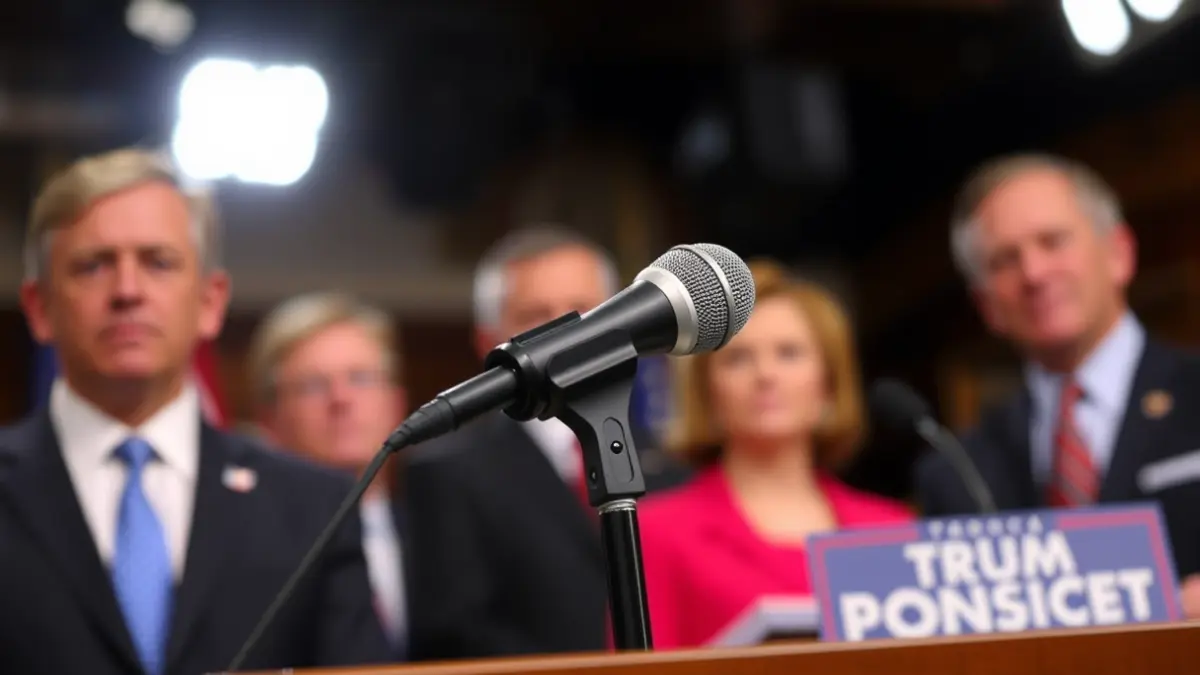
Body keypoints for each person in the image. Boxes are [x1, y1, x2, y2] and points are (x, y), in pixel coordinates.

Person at [0, 148, 392, 675]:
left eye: (158, 262)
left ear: (210, 301)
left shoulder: (315, 509)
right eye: (93, 265)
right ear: (39, 308)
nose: (128, 291)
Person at [914, 152, 1200, 617]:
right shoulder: (956, 472)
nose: (1034, 273)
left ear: (1118, 253)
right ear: (985, 303)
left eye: (1053, 241)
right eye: (1005, 259)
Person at [402, 226, 688, 660]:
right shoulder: (449, 473)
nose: (565, 330)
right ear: (488, 341)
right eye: (537, 314)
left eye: (583, 309)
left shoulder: (676, 462)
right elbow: (456, 634)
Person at [638, 259, 912, 649]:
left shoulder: (892, 532)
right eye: (738, 357)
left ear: (829, 385)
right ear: (707, 392)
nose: (765, 374)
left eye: (788, 353)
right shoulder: (657, 534)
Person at [249, 292, 409, 657]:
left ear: (396, 403)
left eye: (361, 378)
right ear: (270, 419)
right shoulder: (247, 547)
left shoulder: (440, 533)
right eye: (313, 385)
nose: (341, 399)